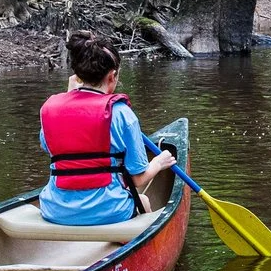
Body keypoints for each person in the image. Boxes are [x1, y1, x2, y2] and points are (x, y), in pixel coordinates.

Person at [39, 30, 177, 226]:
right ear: (112, 76)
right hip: (109, 211)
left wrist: (69, 94)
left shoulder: (49, 109)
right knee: (143, 200)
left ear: (77, 76)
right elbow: (138, 179)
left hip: (55, 210)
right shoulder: (121, 113)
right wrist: (159, 162)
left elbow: (48, 146)